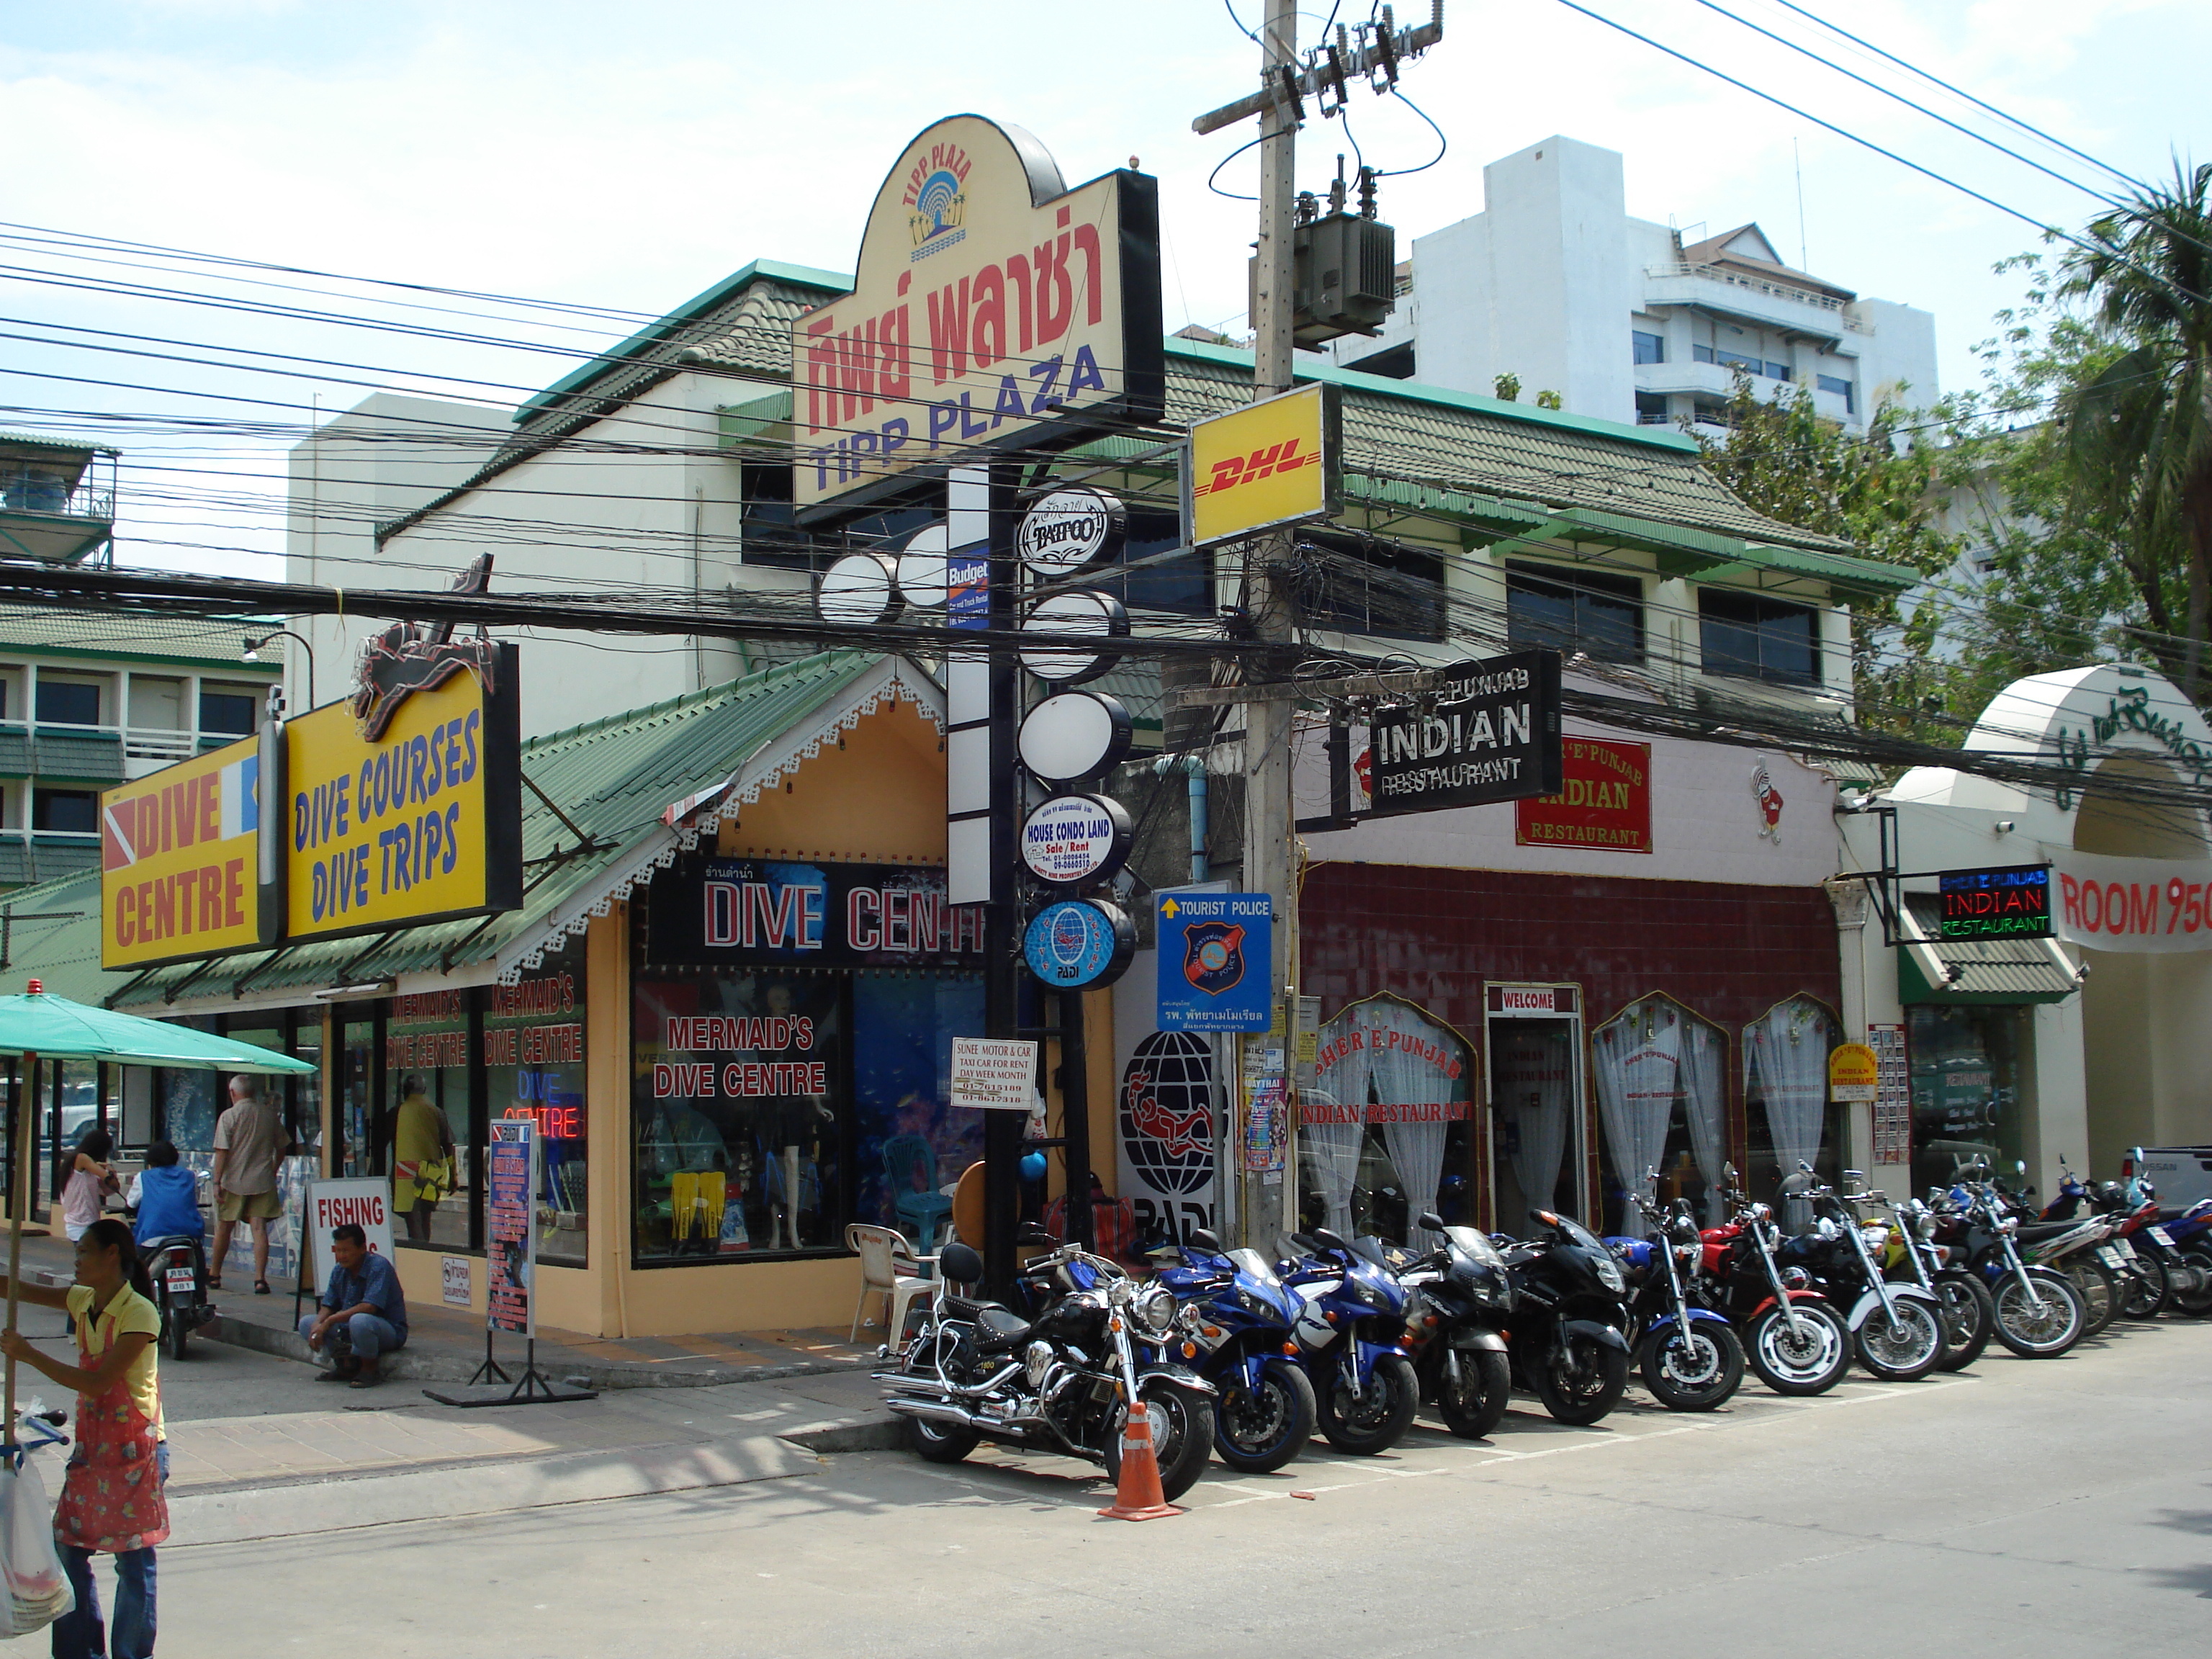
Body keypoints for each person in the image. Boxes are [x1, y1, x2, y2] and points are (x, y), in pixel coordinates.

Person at [0, 1218, 168, 1659]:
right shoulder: (83, 1300)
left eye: (84, 1252)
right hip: (93, 1450)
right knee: (70, 1551)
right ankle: (78, 1653)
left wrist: (28, 1353)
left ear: (112, 1255)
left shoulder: (139, 1313)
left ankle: (133, 1653)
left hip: (138, 1452)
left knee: (134, 1562)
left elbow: (97, 1383)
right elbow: (18, 1289)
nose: (76, 1260)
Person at [297, 1223, 408, 1388]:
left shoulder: (379, 1266)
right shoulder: (339, 1270)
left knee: (360, 1321)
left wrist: (329, 1322)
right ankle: (345, 1366)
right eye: (338, 1251)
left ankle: (370, 1369)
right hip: (349, 1328)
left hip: (385, 1329)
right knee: (306, 1322)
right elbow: (328, 1305)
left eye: (346, 1251)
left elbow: (370, 1307)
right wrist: (317, 1324)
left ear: (362, 1248)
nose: (341, 1256)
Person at [210, 1074, 292, 1293]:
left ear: (233, 1093)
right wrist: (273, 1169)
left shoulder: (228, 1117)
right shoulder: (269, 1115)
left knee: (224, 1228)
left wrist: (216, 1182)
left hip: (232, 1181)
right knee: (259, 1229)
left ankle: (215, 1275)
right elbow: (283, 1146)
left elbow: (222, 1152)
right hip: (262, 1180)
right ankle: (260, 1279)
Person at [391, 1074, 455, 1243]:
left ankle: (420, 1250)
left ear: (405, 1090)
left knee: (413, 1218)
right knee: (424, 1217)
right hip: (430, 1174)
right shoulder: (436, 1111)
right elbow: (448, 1145)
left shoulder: (398, 1112)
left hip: (405, 1174)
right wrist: (453, 1174)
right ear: (424, 1090)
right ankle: (424, 1247)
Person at [128, 1140, 206, 1251]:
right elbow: (193, 1200)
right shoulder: (190, 1176)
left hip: (153, 1237)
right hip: (190, 1235)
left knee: (139, 1266)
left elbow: (131, 1203)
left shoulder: (143, 1177)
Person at [61, 1127, 120, 1243]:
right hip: (80, 1224)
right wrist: (105, 1170)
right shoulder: (81, 1158)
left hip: (91, 1221)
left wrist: (112, 1173)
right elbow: (106, 1178)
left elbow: (111, 1189)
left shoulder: (90, 1173)